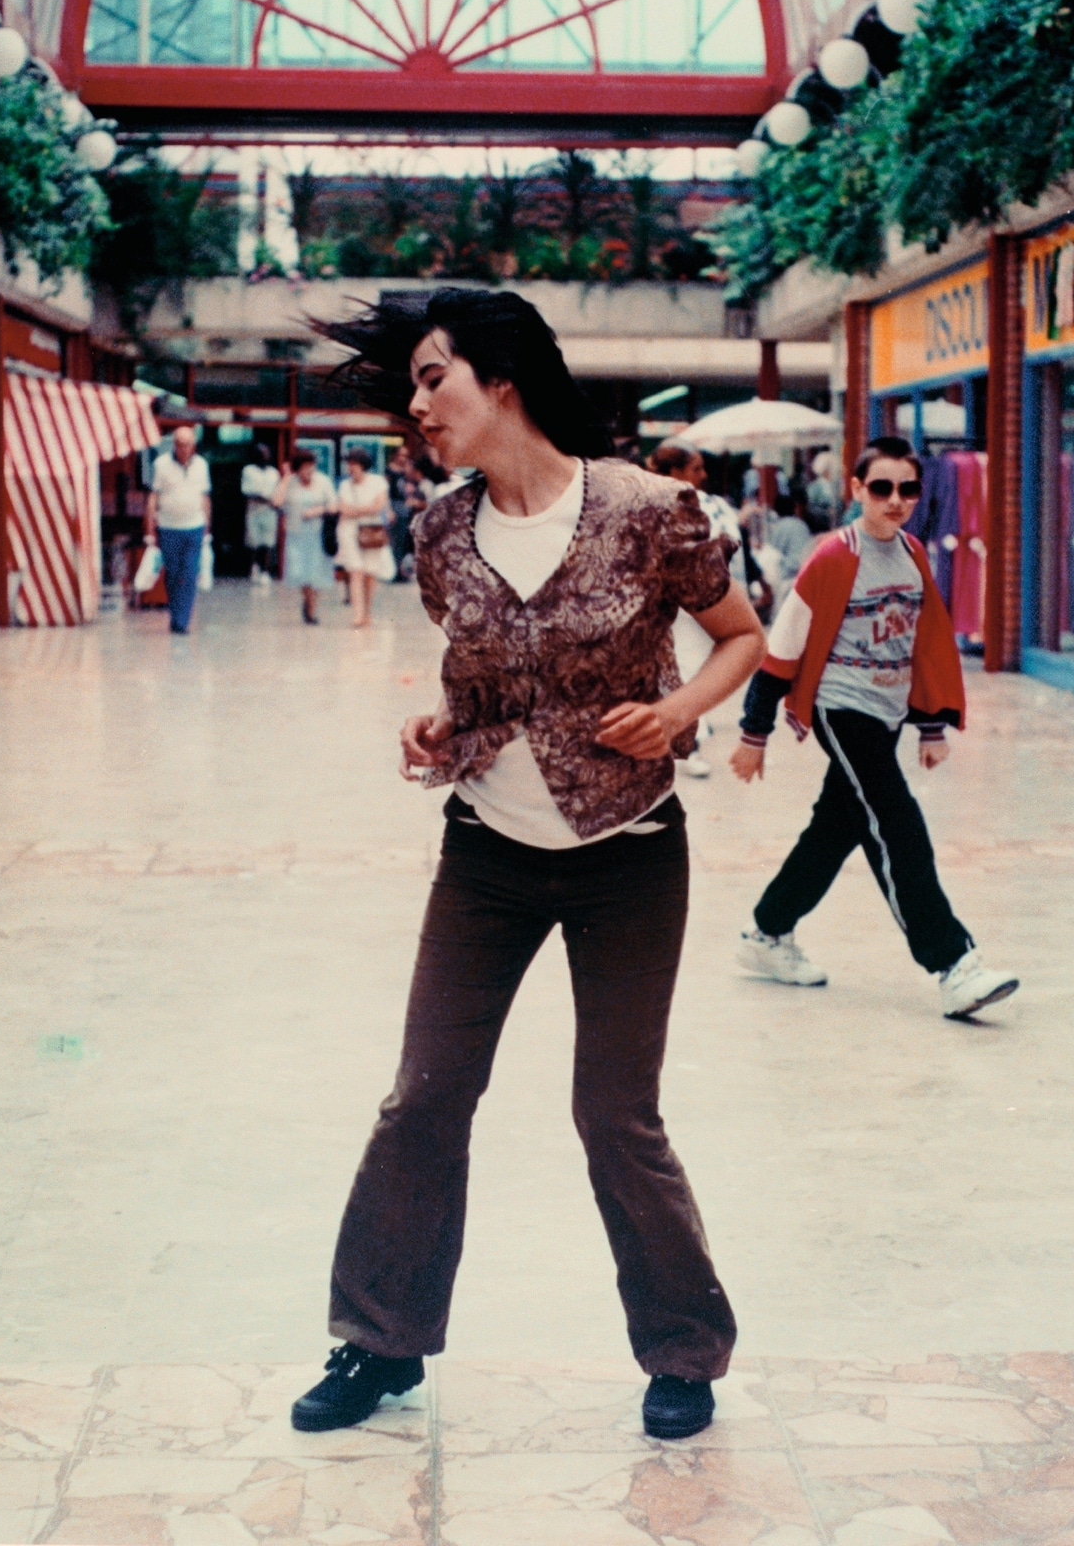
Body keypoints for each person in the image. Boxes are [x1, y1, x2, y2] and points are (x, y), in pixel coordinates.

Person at [293, 288, 764, 1443]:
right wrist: (434, 729)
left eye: (431, 378)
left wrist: (677, 710)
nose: (418, 406)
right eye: (411, 384)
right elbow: (483, 689)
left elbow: (744, 637)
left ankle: (682, 1350)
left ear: (500, 380)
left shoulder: (654, 510)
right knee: (423, 1097)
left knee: (614, 1111)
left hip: (628, 852)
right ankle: (377, 1342)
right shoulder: (440, 534)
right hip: (485, 856)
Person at [729, 436, 1020, 1020]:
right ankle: (952, 964)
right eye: (881, 488)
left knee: (833, 832)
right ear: (856, 489)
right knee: (898, 823)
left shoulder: (913, 553)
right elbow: (782, 648)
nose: (895, 500)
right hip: (843, 710)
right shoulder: (834, 558)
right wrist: (753, 732)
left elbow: (927, 644)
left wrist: (931, 725)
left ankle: (766, 934)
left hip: (886, 714)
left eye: (907, 489)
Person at [648, 443, 759, 779]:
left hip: (722, 600)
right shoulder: (655, 506)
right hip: (682, 604)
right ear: (674, 472)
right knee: (685, 672)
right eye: (696, 468)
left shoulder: (714, 504)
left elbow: (739, 549)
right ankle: (688, 746)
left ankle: (686, 739)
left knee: (697, 671)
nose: (703, 474)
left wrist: (755, 581)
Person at [144, 424, 211, 635]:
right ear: (174, 444)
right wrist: (149, 529)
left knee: (190, 573)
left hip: (194, 526)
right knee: (173, 574)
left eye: (188, 444)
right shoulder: (161, 464)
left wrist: (207, 528)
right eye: (180, 444)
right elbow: (153, 497)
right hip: (168, 527)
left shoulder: (201, 465)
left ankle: (182, 621)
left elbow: (205, 497)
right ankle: (175, 615)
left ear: (194, 446)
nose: (184, 448)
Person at [271, 449, 338, 624]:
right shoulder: (290, 483)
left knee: (316, 573)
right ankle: (307, 600)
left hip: (318, 535)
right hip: (296, 535)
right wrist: (285, 478)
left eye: (311, 467)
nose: (309, 472)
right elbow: (276, 502)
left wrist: (317, 511)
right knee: (300, 573)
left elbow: (333, 506)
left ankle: (311, 609)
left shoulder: (323, 481)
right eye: (304, 468)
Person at [337, 446, 395, 627]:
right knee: (356, 571)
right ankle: (357, 614)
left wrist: (356, 511)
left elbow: (379, 506)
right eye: (349, 464)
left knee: (370, 573)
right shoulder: (345, 485)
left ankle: (367, 611)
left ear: (363, 465)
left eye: (353, 464)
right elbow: (343, 509)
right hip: (349, 530)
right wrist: (365, 510)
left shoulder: (378, 482)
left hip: (372, 531)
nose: (350, 468)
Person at [240, 443, 279, 585]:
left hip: (270, 512)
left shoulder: (273, 472)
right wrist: (266, 498)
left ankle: (265, 571)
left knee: (268, 543)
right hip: (254, 511)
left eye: (267, 452)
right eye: (262, 453)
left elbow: (277, 492)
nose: (265, 455)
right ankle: (254, 568)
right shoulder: (248, 470)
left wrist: (272, 500)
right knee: (253, 542)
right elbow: (248, 491)